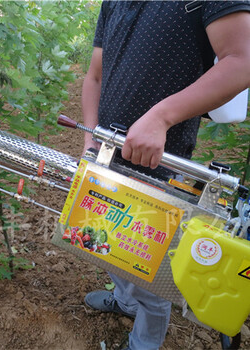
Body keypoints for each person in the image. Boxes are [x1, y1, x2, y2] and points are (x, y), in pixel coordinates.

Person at [81, 1, 250, 349]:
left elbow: (242, 59)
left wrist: (161, 117)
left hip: (162, 164)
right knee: (106, 241)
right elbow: (95, 74)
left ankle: (144, 342)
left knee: (150, 269)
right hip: (106, 154)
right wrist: (90, 139)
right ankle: (126, 302)